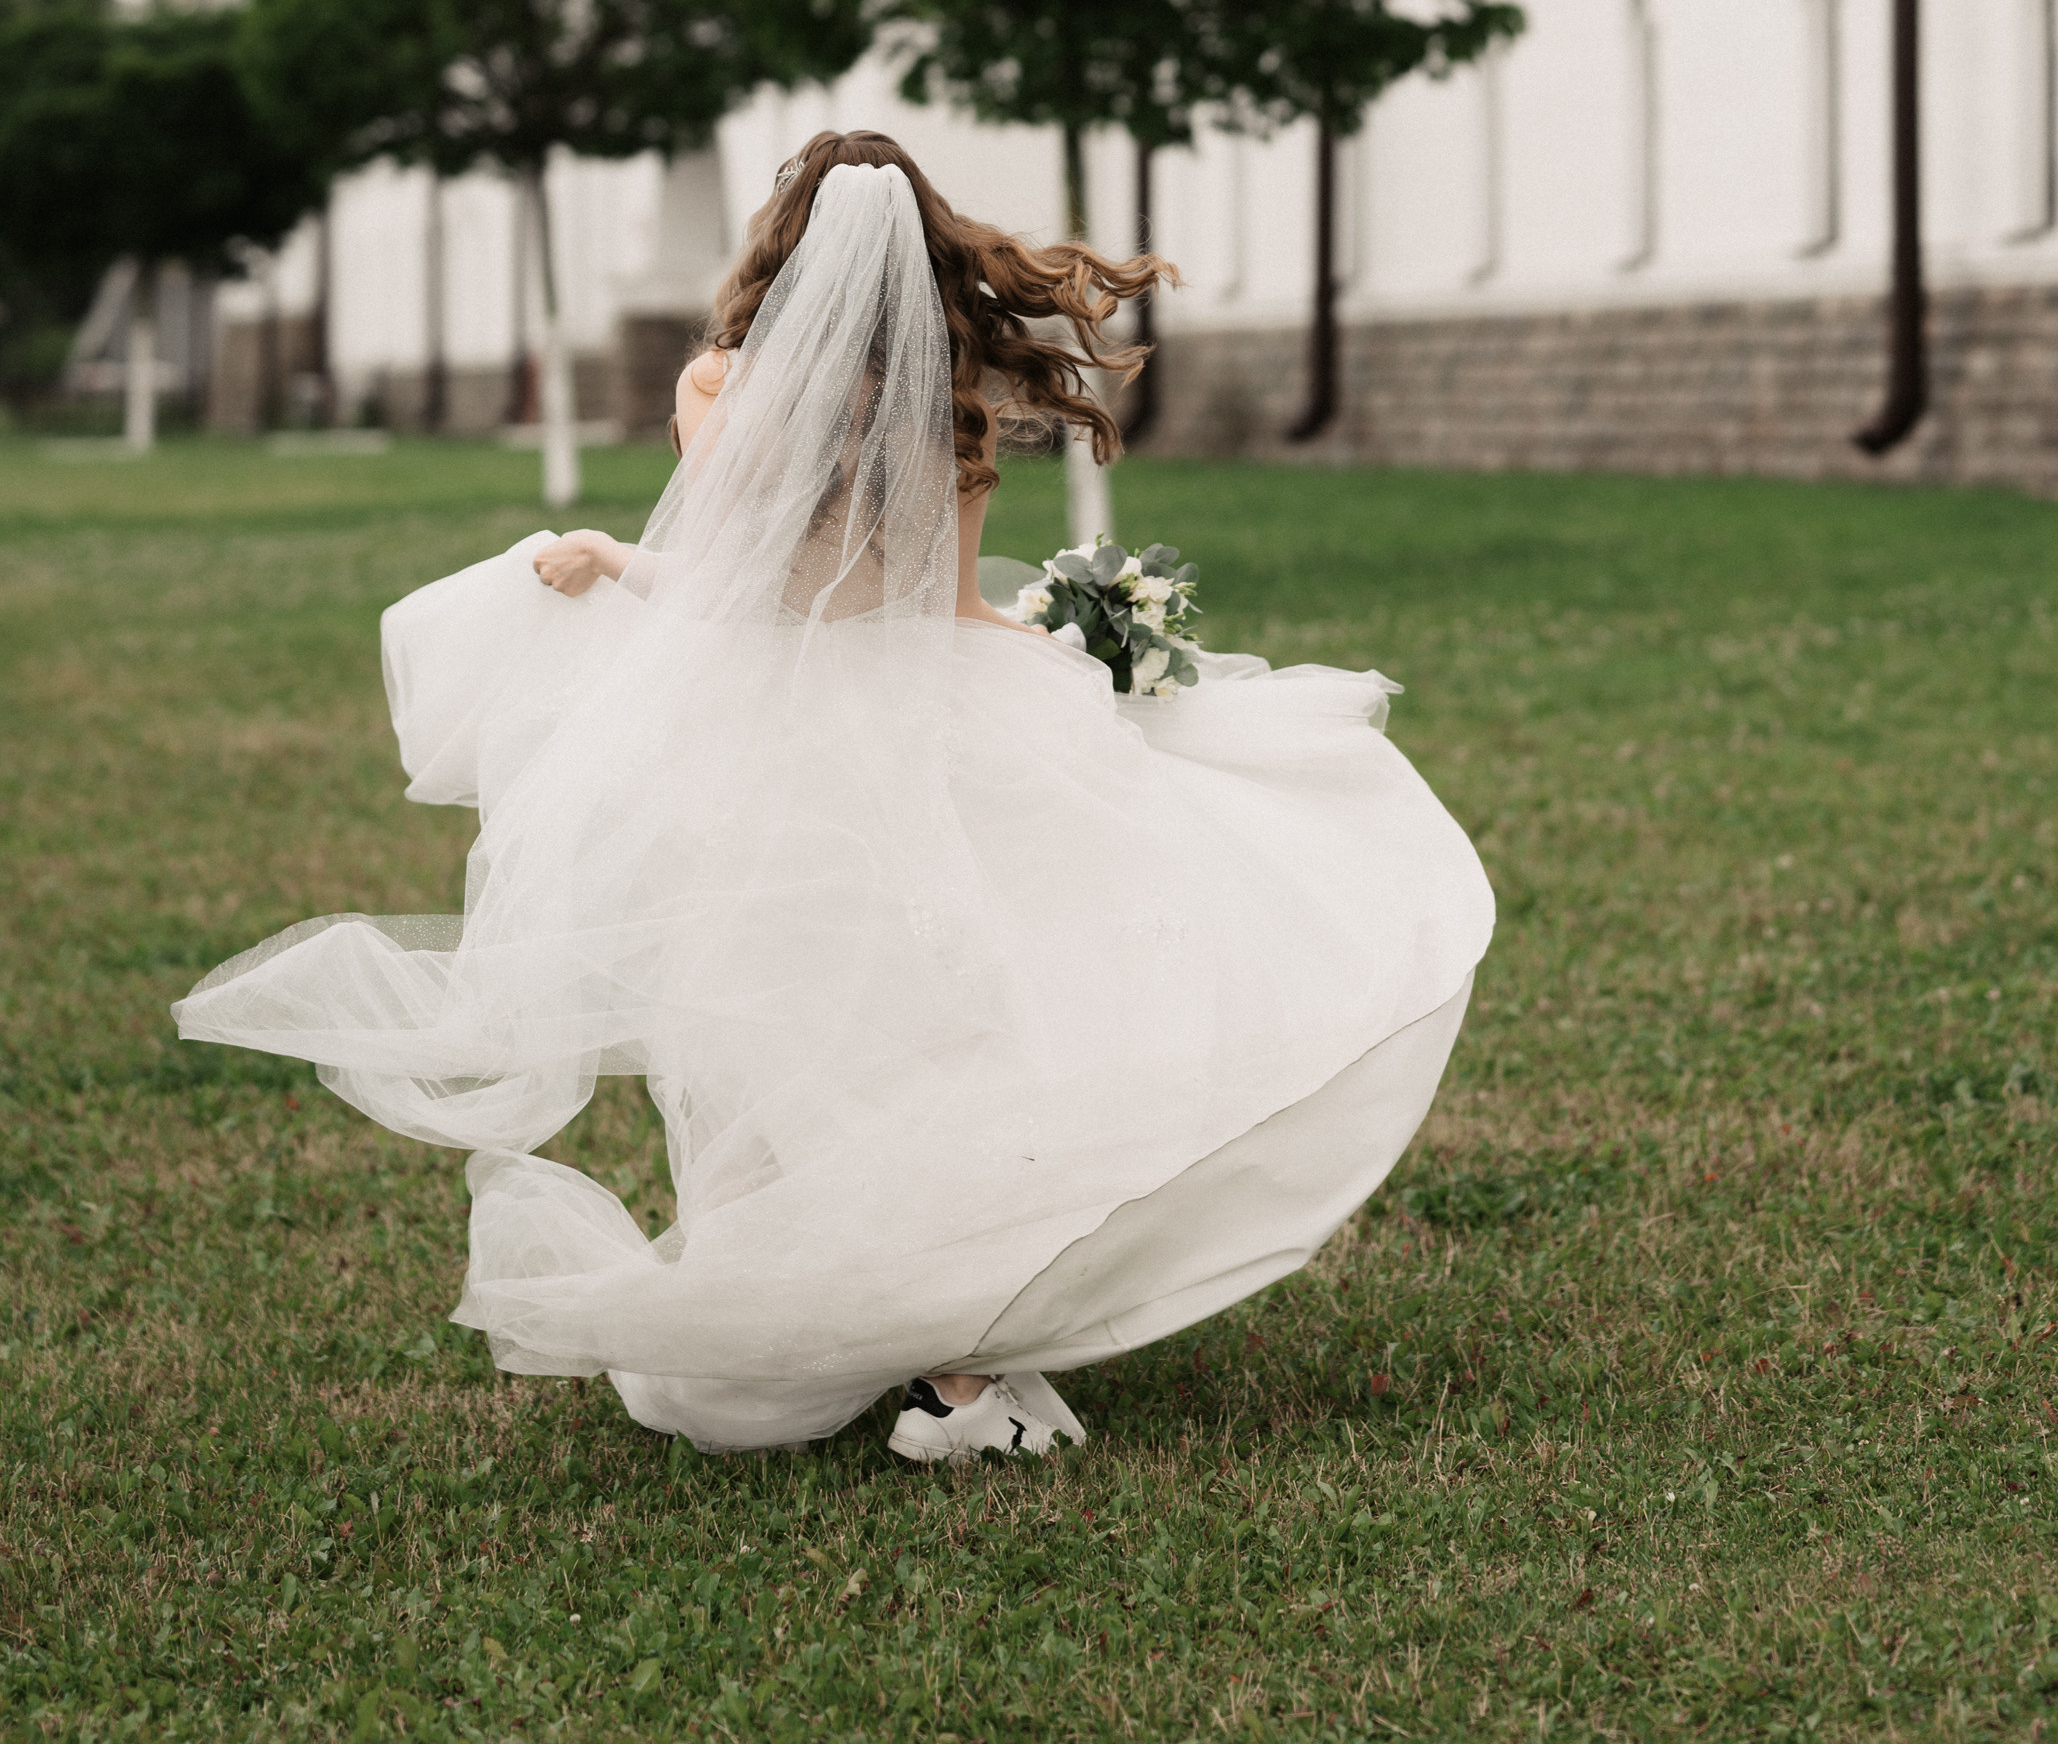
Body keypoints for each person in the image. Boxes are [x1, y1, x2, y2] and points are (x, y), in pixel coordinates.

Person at [177, 130, 1494, 1461]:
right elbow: (949, 608)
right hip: (936, 718)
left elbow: (749, 585)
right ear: (931, 250)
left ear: (781, 242)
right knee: (941, 1030)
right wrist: (1070, 660)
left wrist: (613, 557)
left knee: (780, 1042)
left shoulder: (724, 382)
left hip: (775, 742)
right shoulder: (949, 400)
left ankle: (919, 1358)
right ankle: (955, 1364)